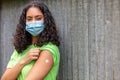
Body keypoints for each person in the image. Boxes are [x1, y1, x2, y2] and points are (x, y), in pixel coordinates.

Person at [1, 1, 60, 80]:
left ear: (46, 21)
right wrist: (24, 60)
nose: (34, 22)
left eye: (38, 18)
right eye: (29, 19)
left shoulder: (48, 50)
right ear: (24, 23)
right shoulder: (20, 49)